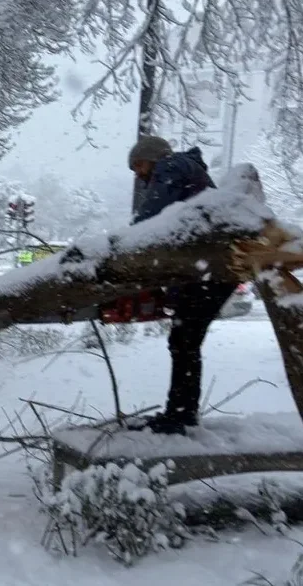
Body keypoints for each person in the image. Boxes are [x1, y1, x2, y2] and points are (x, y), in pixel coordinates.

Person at [127, 136, 236, 434]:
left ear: (153, 157)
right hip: (214, 270)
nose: (137, 173)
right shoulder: (189, 172)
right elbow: (176, 228)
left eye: (138, 164)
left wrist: (125, 245)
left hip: (211, 271)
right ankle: (181, 412)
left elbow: (151, 218)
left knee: (184, 341)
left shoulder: (172, 165)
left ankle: (180, 415)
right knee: (184, 341)